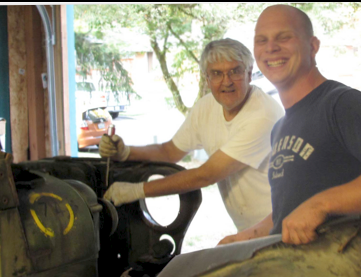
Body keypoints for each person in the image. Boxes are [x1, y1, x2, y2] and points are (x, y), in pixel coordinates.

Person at [218, 4, 361, 245]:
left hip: (347, 273)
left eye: (284, 37)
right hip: (295, 272)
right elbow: (290, 212)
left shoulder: (343, 104)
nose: (271, 48)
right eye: (261, 40)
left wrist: (321, 204)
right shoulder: (280, 129)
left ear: (313, 46)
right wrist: (244, 237)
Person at [100, 38, 284, 233]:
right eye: (217, 73)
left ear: (249, 73)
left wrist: (136, 190)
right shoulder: (206, 107)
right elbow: (169, 152)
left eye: (235, 71)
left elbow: (207, 175)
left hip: (284, 226)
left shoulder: (264, 115)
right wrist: (126, 152)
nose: (226, 81)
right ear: (207, 78)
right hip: (251, 228)